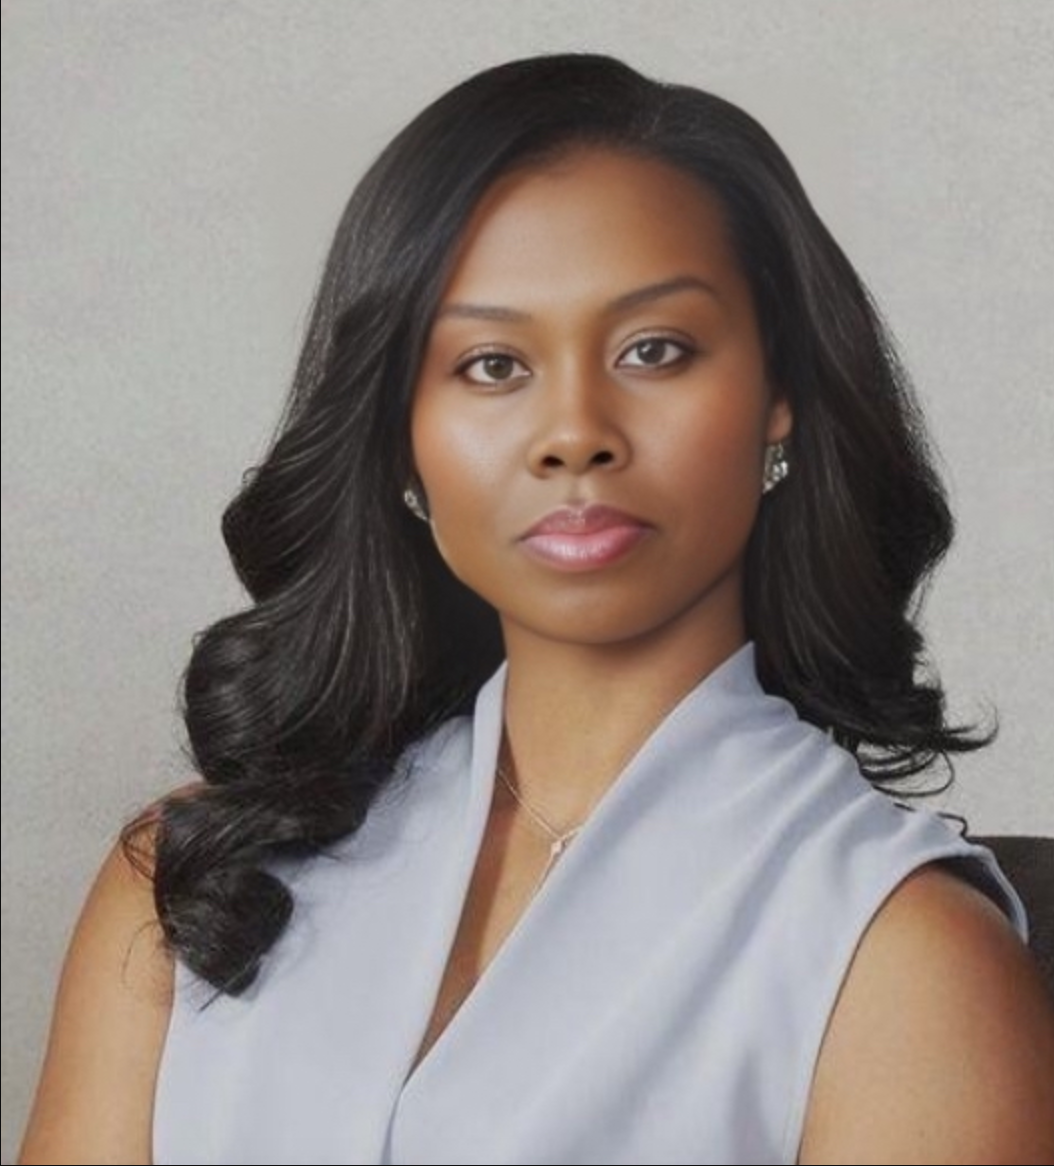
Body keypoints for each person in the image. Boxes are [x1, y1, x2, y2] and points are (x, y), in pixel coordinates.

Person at [17, 52, 1054, 1165]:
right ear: (398, 436)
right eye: (492, 363)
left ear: (780, 399)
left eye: (654, 349)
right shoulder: (192, 879)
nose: (574, 429)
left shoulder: (899, 955)